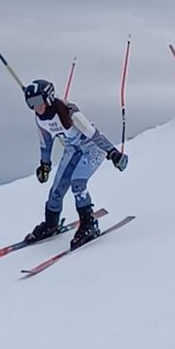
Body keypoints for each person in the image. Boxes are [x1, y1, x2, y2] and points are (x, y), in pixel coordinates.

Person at [22, 79, 128, 249]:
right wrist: (45, 166)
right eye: (31, 103)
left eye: (38, 101)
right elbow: (45, 143)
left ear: (48, 97)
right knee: (57, 189)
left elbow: (94, 134)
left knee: (78, 183)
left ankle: (88, 224)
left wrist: (113, 153)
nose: (36, 107)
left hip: (92, 148)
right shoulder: (40, 119)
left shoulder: (70, 113)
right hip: (73, 149)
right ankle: (51, 223)